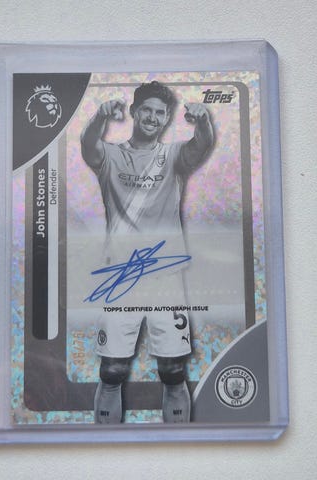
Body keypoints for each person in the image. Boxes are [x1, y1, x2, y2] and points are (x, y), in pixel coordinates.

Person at [80, 81, 214, 423]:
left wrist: (202, 121)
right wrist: (100, 117)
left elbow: (202, 145)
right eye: (147, 110)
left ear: (167, 118)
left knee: (172, 370)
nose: (153, 117)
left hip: (164, 277)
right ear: (135, 112)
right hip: (120, 277)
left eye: (160, 113)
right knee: (112, 370)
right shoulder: (111, 155)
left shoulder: (173, 157)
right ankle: (105, 448)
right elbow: (88, 145)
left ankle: (178, 446)